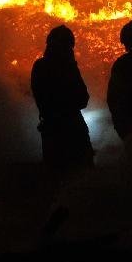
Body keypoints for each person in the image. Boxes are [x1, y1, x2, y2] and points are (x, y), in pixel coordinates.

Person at [30, 25, 94, 175]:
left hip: (51, 132)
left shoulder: (39, 67)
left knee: (56, 179)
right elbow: (83, 99)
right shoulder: (67, 67)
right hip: (72, 131)